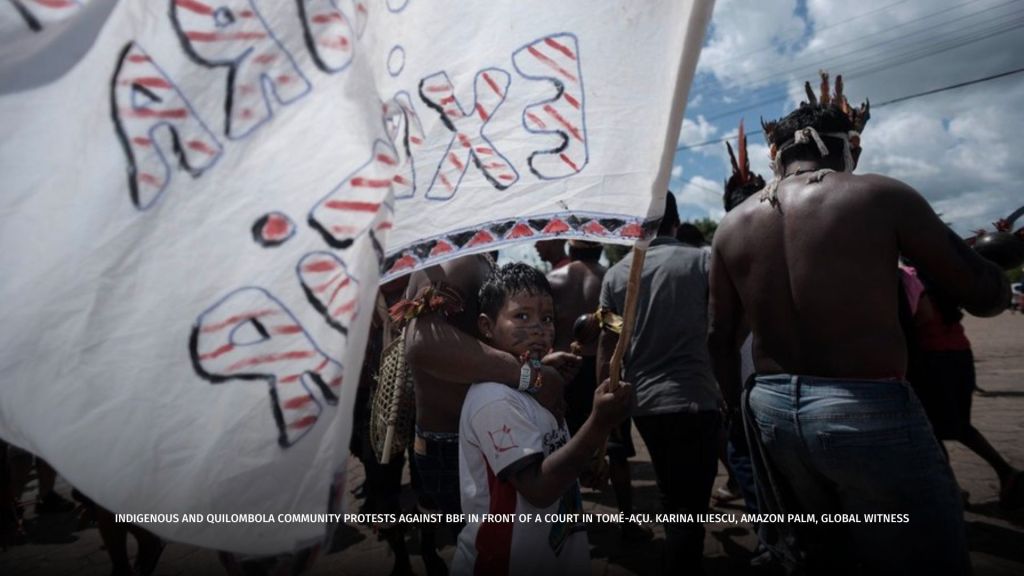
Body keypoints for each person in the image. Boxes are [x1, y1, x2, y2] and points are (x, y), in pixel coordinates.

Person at [708, 72, 1010, 574]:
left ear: (775, 157)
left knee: (822, 555)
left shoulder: (732, 225)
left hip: (772, 408)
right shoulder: (879, 196)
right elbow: (981, 295)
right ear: (848, 148)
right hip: (864, 405)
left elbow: (719, 338)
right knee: (927, 556)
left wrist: (740, 418)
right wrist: (999, 262)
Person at [402, 254, 578, 573]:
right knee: (491, 549)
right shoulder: (457, 259)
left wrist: (536, 367)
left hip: (476, 439)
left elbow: (471, 351)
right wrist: (532, 378)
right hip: (455, 444)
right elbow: (423, 343)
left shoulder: (474, 258)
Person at [453, 263, 632, 576]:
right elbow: (538, 489)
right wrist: (598, 423)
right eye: (521, 316)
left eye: (547, 318)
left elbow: (553, 461)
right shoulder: (495, 399)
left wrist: (581, 464)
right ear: (486, 325)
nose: (538, 328)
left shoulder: (537, 386)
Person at [599, 191, 723, 574]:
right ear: (675, 220)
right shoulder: (701, 261)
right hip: (696, 398)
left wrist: (606, 406)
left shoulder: (617, 276)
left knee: (672, 491)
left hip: (646, 404)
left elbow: (610, 342)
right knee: (692, 503)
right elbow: (721, 328)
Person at [547, 241, 648, 542]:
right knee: (616, 451)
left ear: (570, 247)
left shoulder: (553, 281)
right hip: (605, 373)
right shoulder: (615, 277)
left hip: (565, 371)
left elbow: (545, 330)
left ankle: (568, 524)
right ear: (600, 250)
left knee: (565, 447)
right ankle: (627, 521)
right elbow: (625, 329)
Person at [900, 265, 1024, 509]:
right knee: (956, 426)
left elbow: (924, 316)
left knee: (931, 429)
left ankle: (952, 490)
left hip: (932, 358)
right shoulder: (943, 274)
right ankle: (1003, 474)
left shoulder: (909, 276)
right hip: (958, 352)